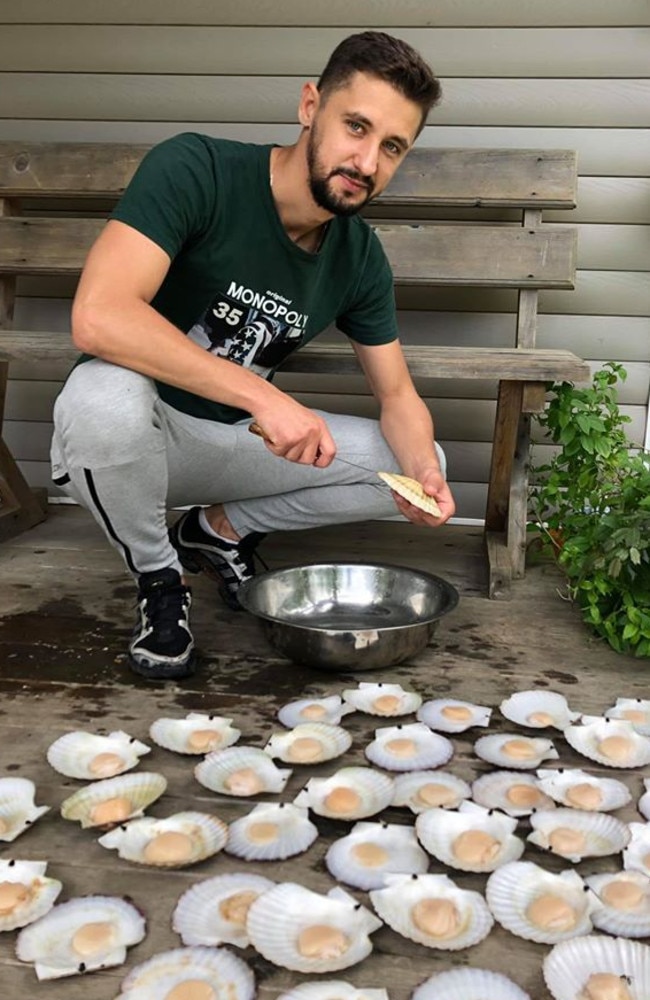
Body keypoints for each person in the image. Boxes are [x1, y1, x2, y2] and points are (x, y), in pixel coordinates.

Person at [50, 30, 456, 681]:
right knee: (101, 395)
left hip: (230, 445)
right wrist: (264, 395)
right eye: (356, 126)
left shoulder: (359, 257)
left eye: (392, 147)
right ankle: (160, 580)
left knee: (420, 456)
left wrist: (421, 477)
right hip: (133, 437)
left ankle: (216, 530)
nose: (367, 160)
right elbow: (98, 315)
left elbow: (398, 396)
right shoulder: (198, 169)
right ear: (308, 106)